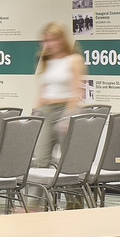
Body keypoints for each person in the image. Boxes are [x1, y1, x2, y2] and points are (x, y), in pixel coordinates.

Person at [33, 20, 86, 170]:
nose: (49, 44)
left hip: (65, 111)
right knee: (40, 160)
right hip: (46, 112)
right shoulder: (46, 61)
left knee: (68, 163)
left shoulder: (74, 60)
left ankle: (73, 194)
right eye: (46, 40)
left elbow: (77, 91)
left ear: (62, 40)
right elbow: (42, 91)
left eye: (53, 39)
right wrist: (36, 111)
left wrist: (68, 115)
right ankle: (36, 194)